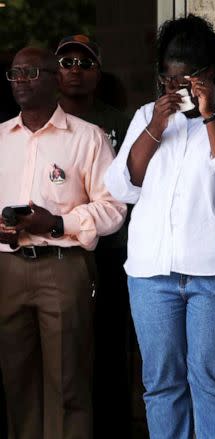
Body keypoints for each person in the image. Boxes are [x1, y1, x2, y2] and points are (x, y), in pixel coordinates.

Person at [104, 14, 215, 439]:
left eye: (188, 80)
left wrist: (209, 115)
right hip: (150, 273)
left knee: (211, 382)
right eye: (169, 81)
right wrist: (156, 126)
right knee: (161, 384)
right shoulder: (145, 116)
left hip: (213, 272)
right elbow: (121, 185)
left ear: (208, 74)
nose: (178, 91)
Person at [0, 47, 126, 439]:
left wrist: (56, 223)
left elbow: (113, 209)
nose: (21, 80)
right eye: (15, 73)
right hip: (7, 267)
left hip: (63, 265)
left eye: (31, 72)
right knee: (17, 382)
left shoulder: (87, 137)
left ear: (54, 79)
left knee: (66, 382)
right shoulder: (0, 136)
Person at [55, 33, 134, 438]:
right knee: (65, 351)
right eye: (67, 62)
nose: (75, 70)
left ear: (98, 72)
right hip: (61, 252)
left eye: (85, 63)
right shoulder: (44, 122)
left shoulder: (119, 121)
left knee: (109, 346)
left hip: (112, 252)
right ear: (55, 72)